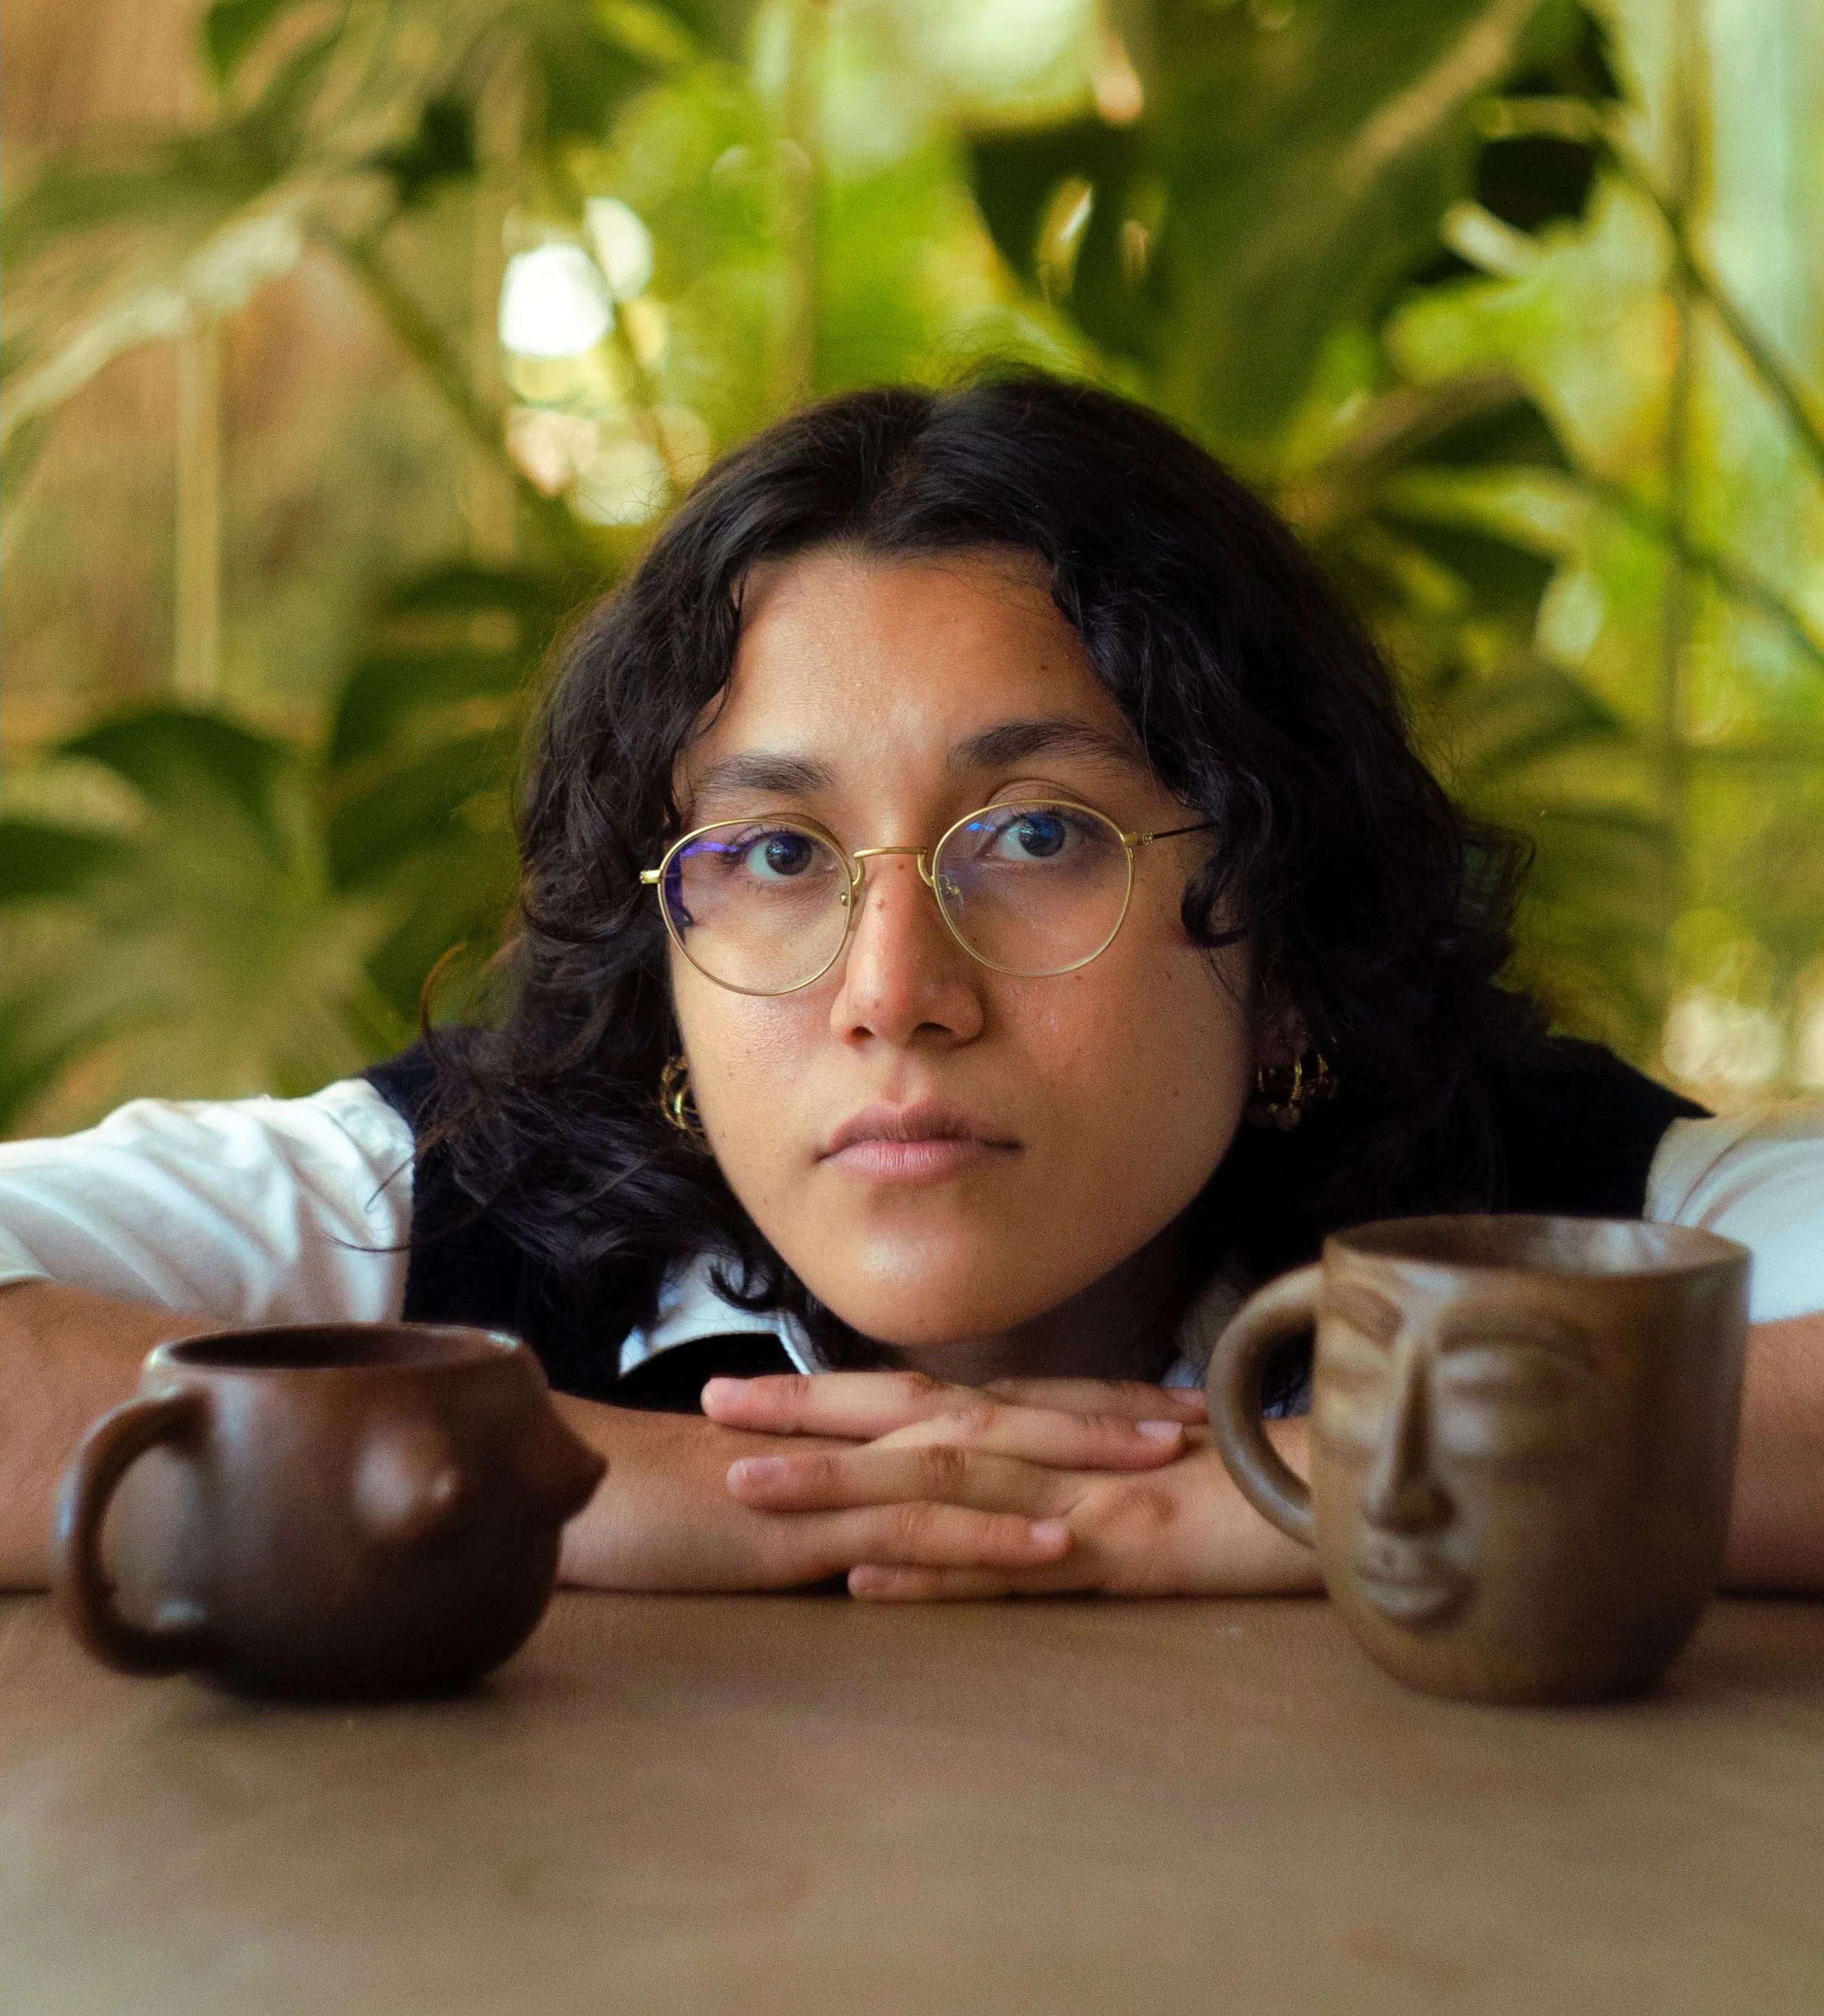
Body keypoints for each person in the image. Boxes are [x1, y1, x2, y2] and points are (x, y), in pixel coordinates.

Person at [3, 377, 1821, 1599]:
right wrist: (564, 1474)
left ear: (1282, 930)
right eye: (779, 854)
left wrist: (1315, 1490)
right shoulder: (452, 1204)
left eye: (1036, 837)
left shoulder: (1551, 1210)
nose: (895, 994)